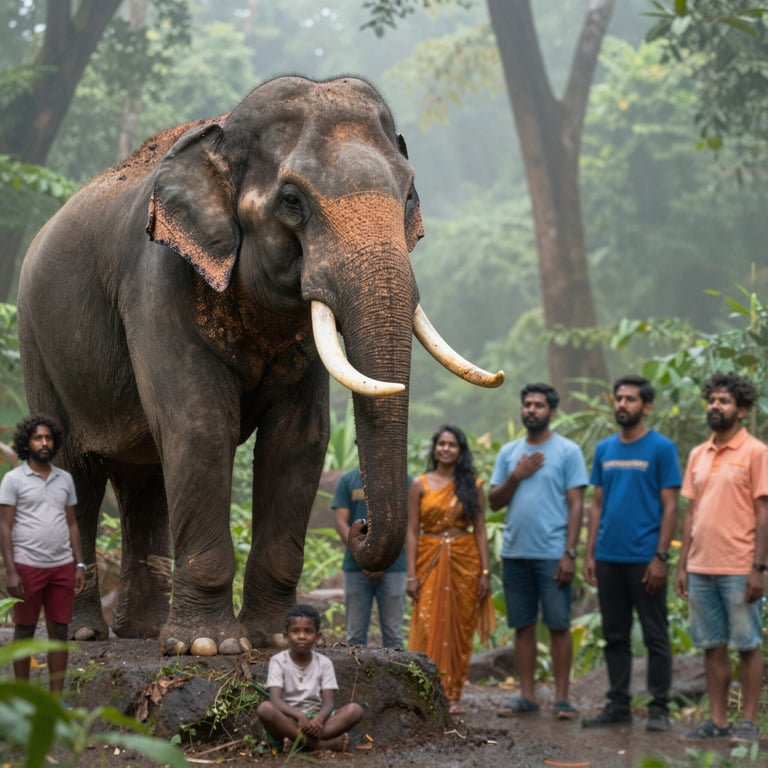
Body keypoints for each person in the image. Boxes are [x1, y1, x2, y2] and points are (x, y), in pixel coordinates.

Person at [582, 375, 681, 732]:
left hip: (645, 558)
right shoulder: (605, 449)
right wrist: (590, 554)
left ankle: (659, 708)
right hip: (609, 557)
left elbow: (671, 507)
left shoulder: (661, 448)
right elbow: (596, 504)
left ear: (647, 406)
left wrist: (661, 557)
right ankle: (618, 704)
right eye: (619, 398)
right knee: (615, 635)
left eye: (631, 399)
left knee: (655, 635)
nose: (622, 404)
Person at [676, 372, 768, 745]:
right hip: (700, 567)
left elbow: (764, 513)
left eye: (724, 401)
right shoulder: (699, 453)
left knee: (747, 645)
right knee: (711, 645)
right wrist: (682, 566)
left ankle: (747, 721)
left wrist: (759, 568)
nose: (716, 406)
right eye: (712, 400)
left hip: (740, 567)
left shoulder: (756, 452)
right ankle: (717, 720)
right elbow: (690, 511)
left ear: (741, 410)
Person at [490, 383, 588, 720]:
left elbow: (577, 506)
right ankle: (527, 696)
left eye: (539, 405)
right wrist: (517, 475)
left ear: (552, 412)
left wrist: (569, 553)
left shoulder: (568, 451)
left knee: (559, 625)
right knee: (523, 625)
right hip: (516, 553)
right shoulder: (508, 453)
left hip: (553, 553)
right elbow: (494, 501)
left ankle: (563, 699)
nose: (532, 410)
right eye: (527, 404)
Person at [406, 424, 495, 715]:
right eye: (441, 443)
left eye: (452, 444)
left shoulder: (474, 485)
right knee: (427, 622)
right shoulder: (420, 484)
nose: (446, 448)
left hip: (465, 562)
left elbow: (480, 530)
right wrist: (411, 574)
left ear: (460, 451)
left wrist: (484, 572)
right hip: (428, 558)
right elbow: (411, 532)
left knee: (460, 627)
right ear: (434, 448)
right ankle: (426, 690)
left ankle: (454, 694)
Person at [0, 414, 86, 696]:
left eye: (48, 437)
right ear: (27, 442)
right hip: (27, 566)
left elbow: (72, 523)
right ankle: (23, 700)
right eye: (38, 437)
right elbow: (5, 526)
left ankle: (56, 700)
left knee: (59, 634)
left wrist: (79, 563)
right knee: (24, 631)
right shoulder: (13, 480)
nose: (44, 442)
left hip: (62, 566)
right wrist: (11, 570)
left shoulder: (65, 480)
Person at [256, 603, 363, 753]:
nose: (302, 636)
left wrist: (318, 719)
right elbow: (275, 700)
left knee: (354, 710)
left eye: (308, 631)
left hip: (317, 723)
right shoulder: (278, 661)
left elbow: (329, 703)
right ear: (286, 636)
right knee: (265, 709)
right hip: (289, 720)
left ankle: (299, 744)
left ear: (317, 636)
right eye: (295, 631)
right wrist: (299, 716)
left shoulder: (324, 663)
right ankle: (320, 746)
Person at [333, 464, 408, 648]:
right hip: (356, 568)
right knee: (355, 636)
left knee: (394, 635)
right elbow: (341, 523)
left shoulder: (406, 481)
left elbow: (410, 524)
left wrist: (382, 560)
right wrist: (362, 556)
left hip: (394, 567)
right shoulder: (347, 480)